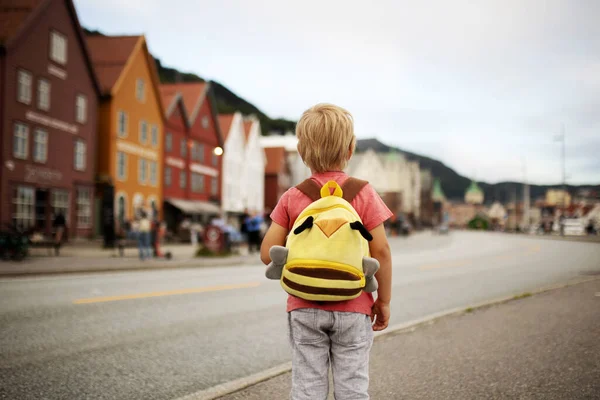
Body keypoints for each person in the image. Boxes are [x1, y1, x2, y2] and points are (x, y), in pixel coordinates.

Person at [260, 103, 393, 399]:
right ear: (350, 150)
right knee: (352, 385)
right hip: (355, 305)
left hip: (304, 305)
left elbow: (268, 253)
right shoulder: (364, 193)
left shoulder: (293, 196)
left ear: (302, 151)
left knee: (308, 384)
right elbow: (381, 251)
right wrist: (382, 301)